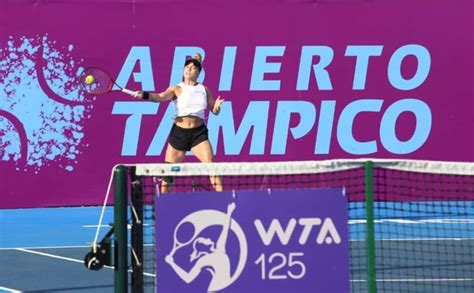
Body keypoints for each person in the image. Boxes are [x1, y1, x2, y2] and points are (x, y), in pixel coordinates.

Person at [132, 53, 224, 192]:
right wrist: (144, 94)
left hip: (198, 134)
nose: (188, 70)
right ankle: (163, 206)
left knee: (211, 166)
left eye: (192, 68)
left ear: (199, 72)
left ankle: (223, 199)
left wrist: (216, 108)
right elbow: (159, 97)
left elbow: (214, 111)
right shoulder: (176, 88)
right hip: (179, 133)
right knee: (169, 173)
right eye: (187, 67)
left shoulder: (204, 90)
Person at [165, 202, 236, 291]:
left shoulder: (219, 249)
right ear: (204, 246)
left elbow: (225, 229)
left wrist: (229, 212)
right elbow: (188, 278)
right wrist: (172, 264)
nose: (208, 238)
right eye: (205, 239)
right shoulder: (204, 260)